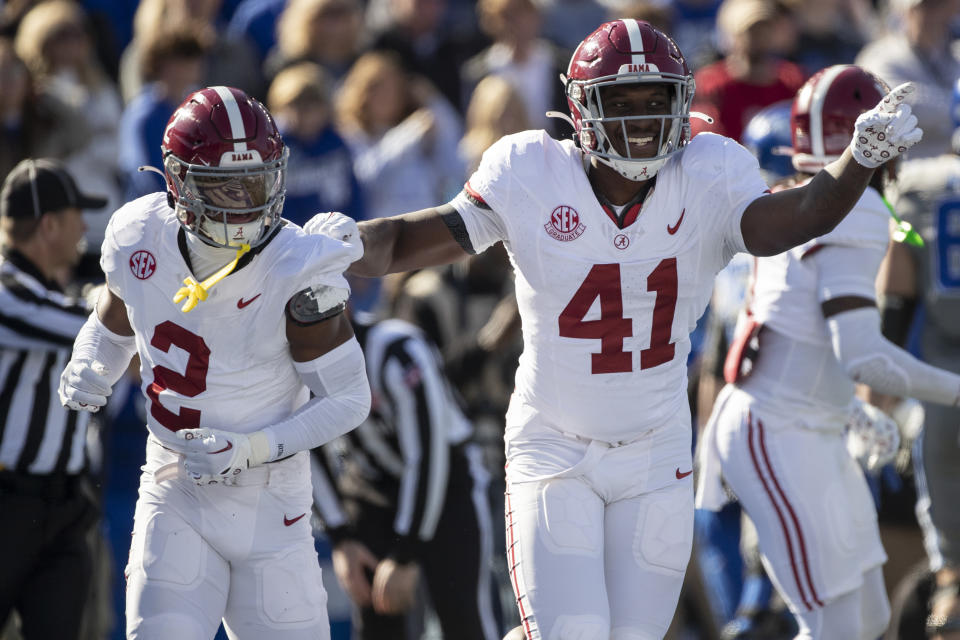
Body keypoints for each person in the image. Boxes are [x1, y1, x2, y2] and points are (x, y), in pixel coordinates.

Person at [318, 19, 925, 640]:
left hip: (654, 452)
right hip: (554, 443)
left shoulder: (711, 170)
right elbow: (407, 241)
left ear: (682, 101)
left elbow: (793, 220)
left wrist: (857, 162)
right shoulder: (530, 169)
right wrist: (342, 243)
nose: (641, 118)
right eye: (622, 102)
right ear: (582, 109)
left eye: (656, 100)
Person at [57, 86, 372, 639]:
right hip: (174, 483)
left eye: (255, 181)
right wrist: (91, 362)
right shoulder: (138, 234)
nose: (246, 201)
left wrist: (250, 447)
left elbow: (350, 399)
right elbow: (114, 320)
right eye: (223, 187)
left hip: (270, 502)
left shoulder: (297, 265)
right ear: (177, 181)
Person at [695, 65, 960, 640]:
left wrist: (851, 410)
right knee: (834, 625)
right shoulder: (858, 210)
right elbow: (863, 357)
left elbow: (802, 336)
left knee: (868, 616)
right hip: (777, 431)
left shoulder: (803, 201)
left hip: (808, 424)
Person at [311, 313, 502, 640]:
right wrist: (341, 536)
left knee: (465, 620)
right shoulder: (290, 361)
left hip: (447, 486)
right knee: (378, 621)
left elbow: (428, 454)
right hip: (370, 486)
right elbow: (302, 447)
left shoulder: (398, 349)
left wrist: (405, 553)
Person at [0, 158, 107, 639]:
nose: (86, 227)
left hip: (63, 505)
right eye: (75, 215)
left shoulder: (56, 288)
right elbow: (90, 327)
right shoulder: (7, 288)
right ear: (48, 224)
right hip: (6, 502)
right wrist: (127, 299)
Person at [872, 78, 960, 638]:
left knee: (952, 560)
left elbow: (897, 286)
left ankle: (951, 588)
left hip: (942, 377)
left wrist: (878, 376)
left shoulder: (925, 184)